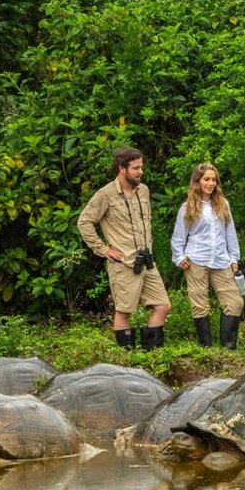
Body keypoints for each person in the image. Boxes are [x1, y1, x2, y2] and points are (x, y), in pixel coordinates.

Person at [78, 146, 171, 350]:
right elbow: (84, 222)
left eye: (141, 167)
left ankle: (151, 355)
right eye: (136, 168)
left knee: (163, 306)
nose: (141, 172)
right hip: (124, 263)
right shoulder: (105, 194)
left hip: (147, 261)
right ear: (122, 168)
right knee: (124, 311)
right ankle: (128, 360)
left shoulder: (143, 190)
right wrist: (103, 249)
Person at [170, 164, 244, 349]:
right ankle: (207, 348)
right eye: (206, 179)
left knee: (234, 302)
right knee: (200, 304)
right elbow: (179, 236)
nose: (211, 183)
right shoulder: (187, 207)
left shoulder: (223, 204)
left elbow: (230, 232)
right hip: (196, 260)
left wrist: (234, 258)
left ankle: (228, 348)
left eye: (213, 180)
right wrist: (179, 257)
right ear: (197, 182)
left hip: (221, 260)